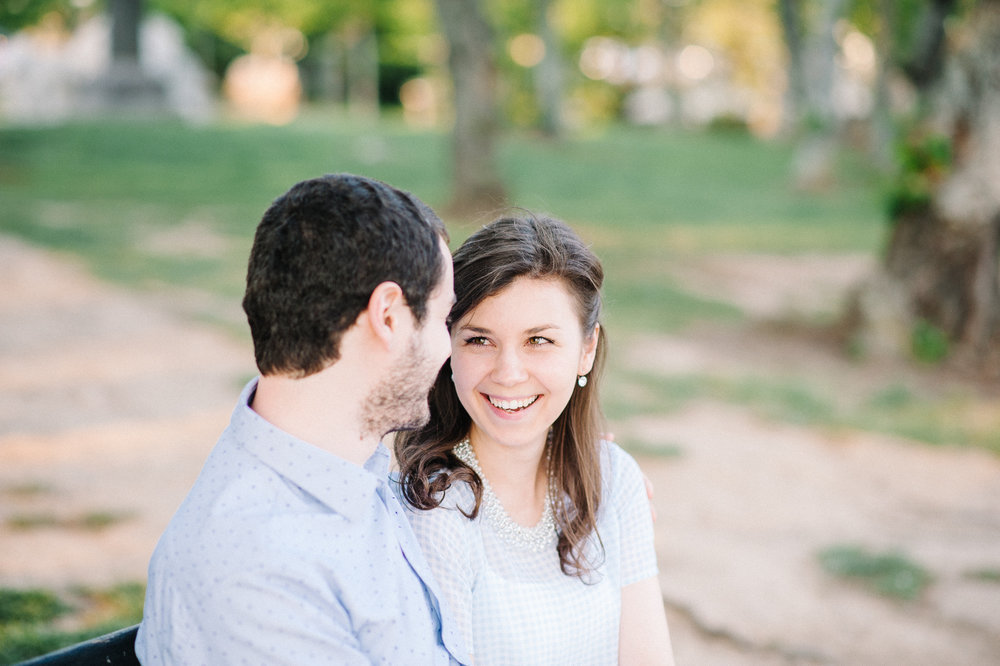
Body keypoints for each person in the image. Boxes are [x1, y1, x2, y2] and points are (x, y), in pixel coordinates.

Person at [136, 174, 469, 664]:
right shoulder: (257, 567)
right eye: (443, 319)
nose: (448, 349)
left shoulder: (353, 468)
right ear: (389, 316)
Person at [395, 215, 676, 665]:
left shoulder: (615, 478)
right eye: (480, 339)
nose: (508, 373)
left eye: (539, 340)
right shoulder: (435, 512)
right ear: (449, 345)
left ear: (586, 349)